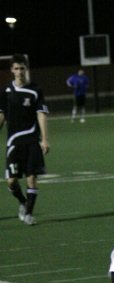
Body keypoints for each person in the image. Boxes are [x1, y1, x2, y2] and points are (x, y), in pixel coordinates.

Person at [0, 54, 49, 226]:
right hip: (14, 142)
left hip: (32, 141)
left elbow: (41, 114)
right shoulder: (5, 91)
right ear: (11, 70)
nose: (19, 71)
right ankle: (22, 201)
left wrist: (44, 139)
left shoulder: (36, 90)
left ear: (26, 69)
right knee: (12, 181)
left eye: (22, 68)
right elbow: (2, 115)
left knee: (31, 178)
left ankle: (29, 213)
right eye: (16, 68)